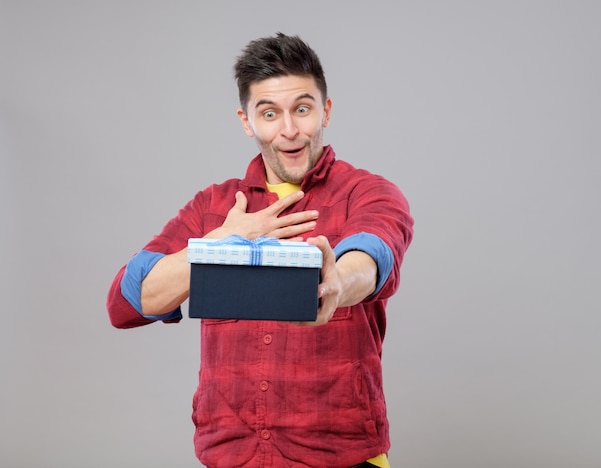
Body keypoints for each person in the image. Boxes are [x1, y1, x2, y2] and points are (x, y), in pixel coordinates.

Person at [107, 32, 414, 468]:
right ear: (247, 121)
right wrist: (223, 243)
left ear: (325, 110)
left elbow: (373, 255)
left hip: (340, 458)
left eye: (302, 109)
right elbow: (127, 303)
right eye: (269, 113)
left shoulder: (368, 193)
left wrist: (336, 282)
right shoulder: (212, 207)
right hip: (234, 457)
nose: (288, 130)